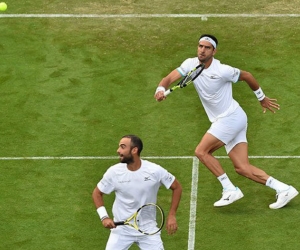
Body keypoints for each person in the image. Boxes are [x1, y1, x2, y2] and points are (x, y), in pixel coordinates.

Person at [154, 34, 298, 209]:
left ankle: (229, 189)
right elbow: (168, 79)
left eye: (207, 47)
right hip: (232, 119)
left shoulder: (223, 70)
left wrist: (261, 98)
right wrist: (161, 89)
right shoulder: (190, 64)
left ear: (214, 51)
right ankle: (284, 189)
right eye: (200, 46)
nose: (202, 50)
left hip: (230, 118)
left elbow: (247, 76)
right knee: (242, 168)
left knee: (201, 151)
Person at [92, 134, 182, 250]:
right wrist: (104, 217)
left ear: (134, 150)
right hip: (121, 230)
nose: (118, 150)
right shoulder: (114, 172)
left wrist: (172, 215)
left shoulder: (154, 171)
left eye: (122, 147)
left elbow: (177, 187)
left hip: (148, 229)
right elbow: (97, 193)